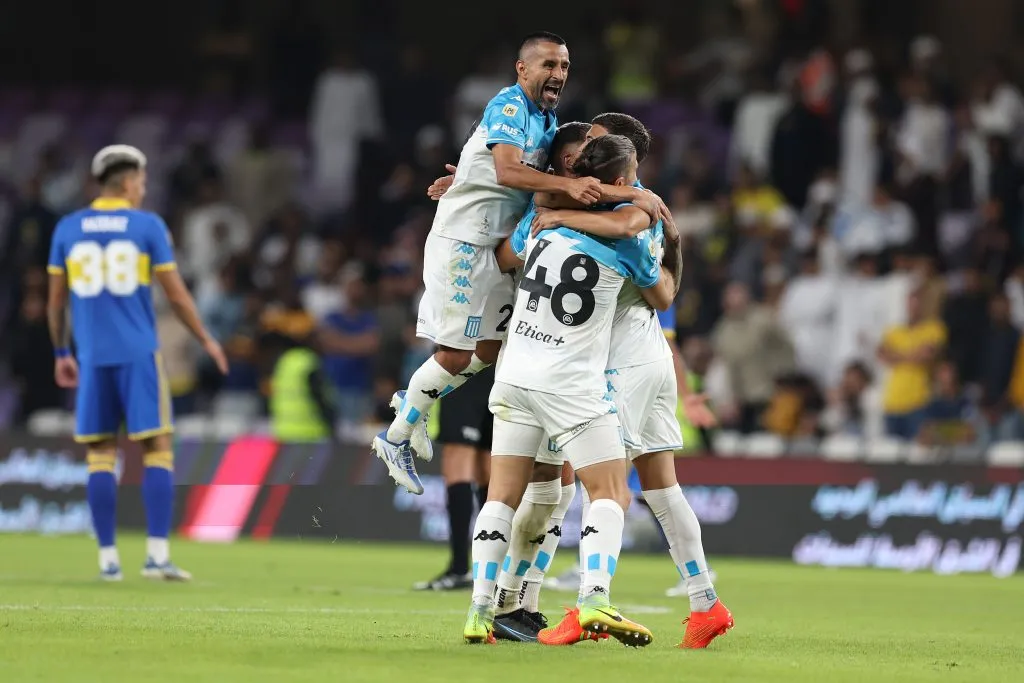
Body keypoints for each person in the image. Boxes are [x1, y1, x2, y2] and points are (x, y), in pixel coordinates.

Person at [375, 33, 660, 496]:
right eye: (548, 64)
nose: (558, 74)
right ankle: (395, 436)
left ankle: (416, 402)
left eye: (564, 66)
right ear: (521, 69)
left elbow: (511, 169)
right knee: (456, 354)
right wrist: (581, 189)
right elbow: (509, 171)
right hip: (466, 242)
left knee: (490, 350)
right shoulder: (510, 106)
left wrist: (467, 177)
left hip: (494, 241)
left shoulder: (546, 119)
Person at [489, 115, 731, 649]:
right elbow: (664, 292)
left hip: (614, 364)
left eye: (593, 144)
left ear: (621, 162)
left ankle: (581, 600)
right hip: (650, 356)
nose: (579, 157)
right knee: (661, 487)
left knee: (591, 485)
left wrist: (557, 218)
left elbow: (605, 233)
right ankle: (705, 603)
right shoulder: (643, 205)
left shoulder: (613, 212)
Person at [463, 135, 654, 647]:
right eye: (632, 177)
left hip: (514, 375)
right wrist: (648, 209)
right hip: (569, 384)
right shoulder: (627, 241)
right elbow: (658, 285)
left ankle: (480, 610)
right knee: (610, 492)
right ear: (619, 182)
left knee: (501, 496)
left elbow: (510, 251)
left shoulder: (541, 228)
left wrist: (557, 210)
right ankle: (594, 598)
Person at [46, 145, 228, 581]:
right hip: (138, 354)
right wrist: (206, 338)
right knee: (157, 447)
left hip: (92, 357)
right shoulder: (147, 226)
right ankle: (156, 557)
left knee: (100, 454)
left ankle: (108, 561)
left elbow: (55, 302)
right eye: (142, 182)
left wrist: (61, 353)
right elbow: (176, 295)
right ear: (128, 183)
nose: (143, 190)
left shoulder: (68, 228)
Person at [412, 365, 495, 591]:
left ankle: (460, 569)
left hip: (466, 367)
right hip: (504, 370)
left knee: (459, 462)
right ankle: (494, 571)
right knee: (488, 469)